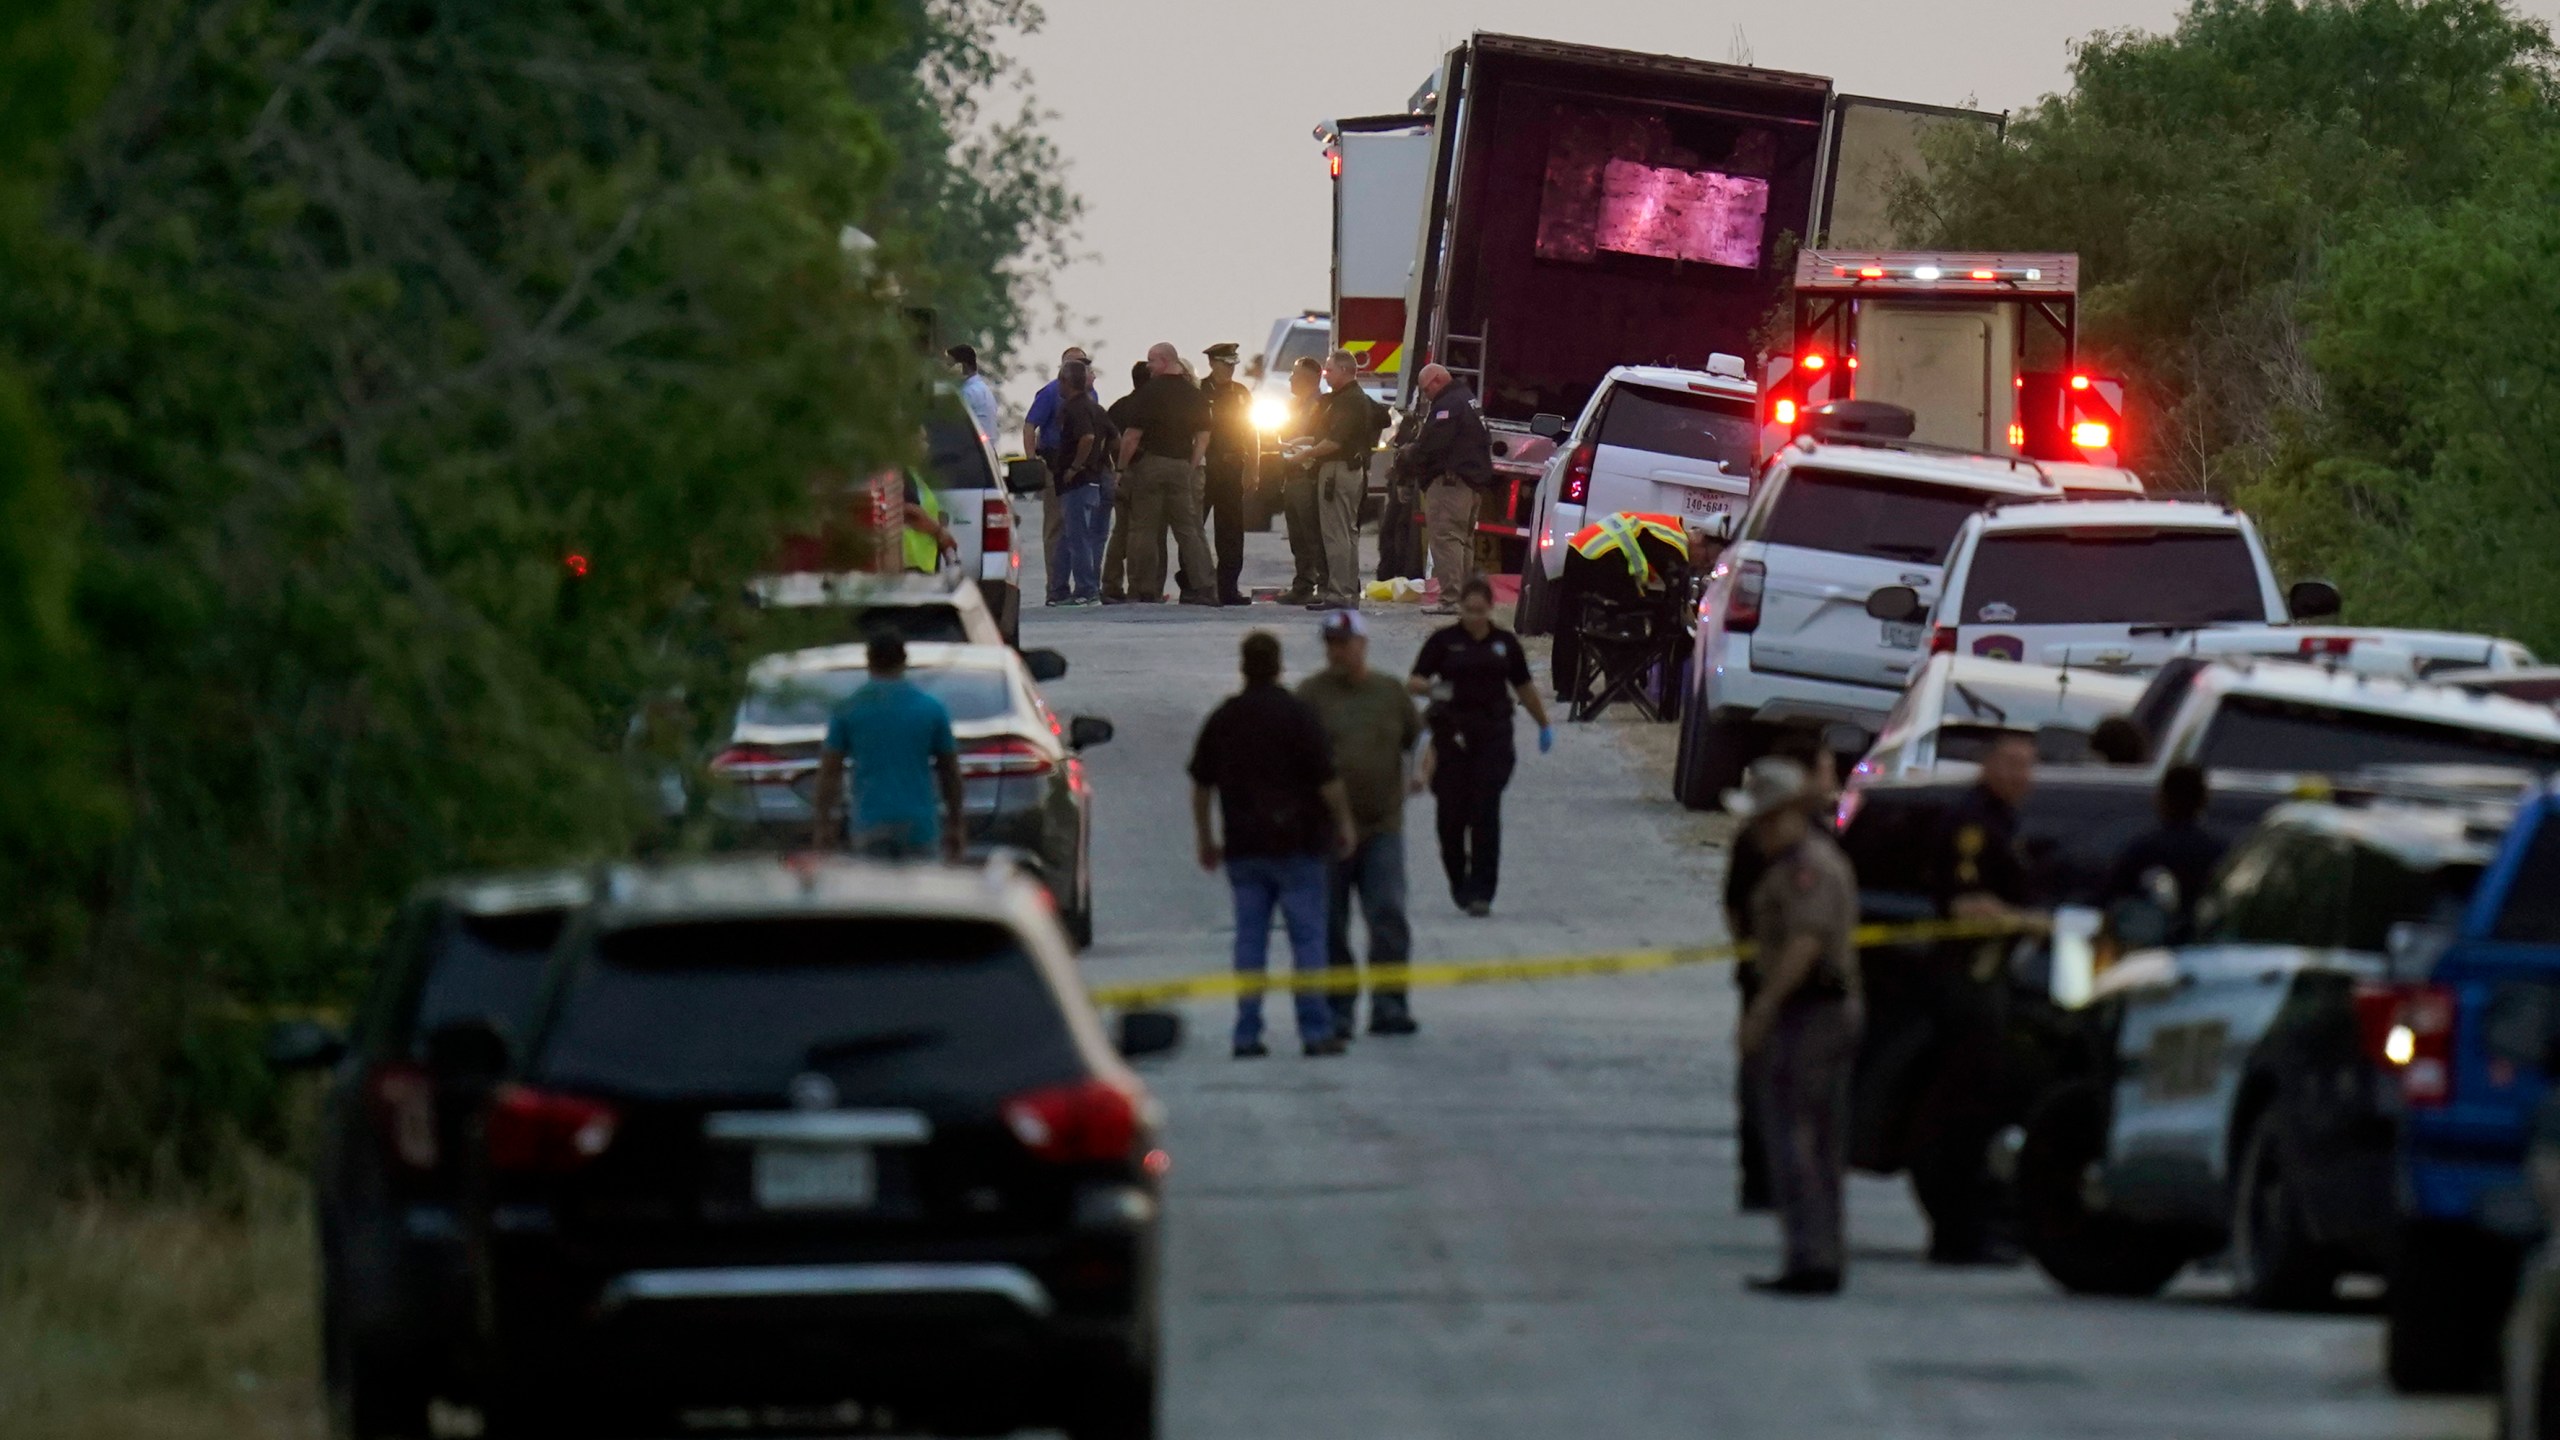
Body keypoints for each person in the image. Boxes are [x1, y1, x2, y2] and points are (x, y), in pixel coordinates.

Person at [1729, 756, 1864, 1297]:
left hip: (1812, 1014)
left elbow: (1805, 944)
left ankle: (1811, 1256)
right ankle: (1818, 1253)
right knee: (1819, 1139)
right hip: (1819, 1011)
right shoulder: (1797, 863)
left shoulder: (1805, 868)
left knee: (1795, 1137)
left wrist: (1763, 1007)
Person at [1189, 632, 1357, 1058]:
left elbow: (1201, 784)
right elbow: (1328, 780)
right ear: (1279, 665)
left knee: (1250, 941)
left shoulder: (1226, 718)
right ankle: (1315, 1031)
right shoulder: (1298, 715)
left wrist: (1207, 838)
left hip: (1245, 848)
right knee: (1308, 941)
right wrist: (1344, 824)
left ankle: (1247, 1033)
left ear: (1243, 666)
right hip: (1300, 846)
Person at [1911, 728, 2039, 1265]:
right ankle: (1957, 1235)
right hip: (1968, 982)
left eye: (2027, 766)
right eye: (2010, 764)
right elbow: (1966, 907)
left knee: (1978, 1113)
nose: (2020, 776)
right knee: (1963, 1116)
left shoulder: (2003, 821)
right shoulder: (1973, 824)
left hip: (1988, 982)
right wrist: (2037, 922)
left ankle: (1967, 1228)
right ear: (1987, 764)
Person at [1722, 729, 1841, 1214]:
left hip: (1799, 984)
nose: (1834, 777)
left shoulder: (1812, 838)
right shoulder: (1780, 842)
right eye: (1828, 767)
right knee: (1768, 1083)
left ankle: (1778, 1181)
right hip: (1778, 978)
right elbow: (1739, 907)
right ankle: (1766, 1180)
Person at [1297, 610, 1424, 1037]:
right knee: (1330, 923)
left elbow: (1417, 739)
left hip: (1382, 825)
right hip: (1327, 830)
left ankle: (1390, 1004)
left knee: (1388, 914)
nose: (1337, 650)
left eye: (1344, 642)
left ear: (1362, 645)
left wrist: (1423, 771)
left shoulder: (1389, 693)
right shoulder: (1310, 696)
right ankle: (1339, 1010)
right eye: (1331, 643)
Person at [1410, 577, 1554, 917]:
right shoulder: (1443, 642)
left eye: (1480, 611)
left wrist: (1544, 724)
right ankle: (1459, 880)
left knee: (1485, 812)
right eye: (1468, 610)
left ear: (1490, 609)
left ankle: (1482, 891)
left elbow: (1523, 687)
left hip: (1493, 735)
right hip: (1452, 736)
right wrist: (1434, 692)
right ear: (1460, 608)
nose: (1474, 617)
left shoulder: (1504, 643)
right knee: (1451, 817)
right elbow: (1415, 681)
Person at [810, 632, 965, 861]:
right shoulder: (930, 709)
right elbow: (949, 772)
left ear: (869, 661)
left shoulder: (849, 708)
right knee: (920, 893)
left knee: (876, 893)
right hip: (919, 823)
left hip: (870, 820)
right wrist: (956, 823)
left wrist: (823, 823)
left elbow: (829, 771)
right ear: (904, 661)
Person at [1116, 343, 1219, 606]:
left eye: (1151, 360)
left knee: (1144, 529)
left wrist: (1120, 468)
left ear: (1164, 360)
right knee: (1190, 530)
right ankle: (1205, 587)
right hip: (1181, 466)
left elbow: (1132, 436)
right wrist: (1191, 465)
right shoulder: (1193, 394)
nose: (1148, 366)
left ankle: (1142, 589)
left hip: (1150, 466)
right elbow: (1204, 437)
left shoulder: (1148, 393)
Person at [1403, 363, 1494, 615]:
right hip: (1470, 484)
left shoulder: (1448, 406)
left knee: (1446, 539)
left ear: (1436, 380)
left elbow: (1432, 445)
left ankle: (1451, 598)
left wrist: (1410, 458)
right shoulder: (1468, 400)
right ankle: (1464, 597)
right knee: (1462, 542)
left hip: (1450, 485)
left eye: (1425, 390)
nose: (1426, 396)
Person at [1303, 349, 1385, 612]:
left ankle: (1339, 593)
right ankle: (1347, 591)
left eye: (1328, 369)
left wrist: (1303, 455)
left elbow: (1335, 442)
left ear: (1344, 371)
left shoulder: (1348, 401)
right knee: (1346, 533)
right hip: (1348, 469)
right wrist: (1303, 443)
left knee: (1336, 534)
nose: (1325, 374)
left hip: (1338, 471)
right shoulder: (1351, 398)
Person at [2102, 762, 2223, 926]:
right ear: (2203, 800)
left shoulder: (2145, 850)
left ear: (2162, 799)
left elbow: (2109, 895)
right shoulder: (2219, 853)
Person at [1022, 345, 1091, 607]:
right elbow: (1030, 425)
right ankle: (1056, 588)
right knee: (1056, 528)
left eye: (1083, 364)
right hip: (1055, 465)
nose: (1080, 370)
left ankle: (1082, 586)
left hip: (1081, 467)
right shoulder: (1051, 392)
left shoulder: (1089, 392)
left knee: (1080, 529)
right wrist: (1032, 461)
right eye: (1075, 365)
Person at [1049, 359, 1114, 605]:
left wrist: (1076, 466)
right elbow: (1114, 436)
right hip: (1093, 481)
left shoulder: (1074, 409)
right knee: (1074, 536)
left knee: (1078, 538)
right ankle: (1062, 590)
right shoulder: (1096, 408)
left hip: (1077, 483)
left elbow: (1087, 436)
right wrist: (1100, 460)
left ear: (1066, 381)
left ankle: (1087, 590)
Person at [1201, 342, 1257, 606]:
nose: (1230, 370)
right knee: (1194, 529)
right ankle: (1195, 584)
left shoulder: (1241, 393)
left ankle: (1228, 588)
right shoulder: (1199, 390)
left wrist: (1253, 469)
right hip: (1206, 467)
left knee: (1232, 532)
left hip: (1232, 468)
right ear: (1212, 363)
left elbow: (1251, 432)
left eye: (1233, 364)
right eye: (1225, 364)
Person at [1276, 356, 1329, 604]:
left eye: (1294, 374)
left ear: (1308, 378)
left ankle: (1323, 584)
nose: (1290, 379)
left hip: (1309, 476)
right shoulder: (1295, 405)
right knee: (1297, 535)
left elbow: (1318, 439)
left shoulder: (1322, 405)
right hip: (1292, 475)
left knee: (1312, 534)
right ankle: (1303, 584)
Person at [1100, 360, 1150, 604]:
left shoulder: (1118, 407)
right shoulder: (1148, 406)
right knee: (1141, 531)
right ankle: (1138, 586)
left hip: (1119, 474)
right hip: (1141, 472)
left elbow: (1107, 440)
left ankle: (1111, 583)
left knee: (1120, 530)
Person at [948, 343, 1000, 442]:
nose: (948, 370)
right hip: (986, 451)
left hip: (971, 452)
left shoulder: (968, 393)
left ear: (962, 365)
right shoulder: (982, 388)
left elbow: (952, 425)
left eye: (950, 365)